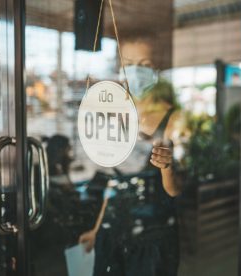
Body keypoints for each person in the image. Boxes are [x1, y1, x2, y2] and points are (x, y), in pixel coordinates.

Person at [79, 36, 182, 276]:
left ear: (157, 70)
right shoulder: (118, 115)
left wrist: (166, 166)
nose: (136, 71)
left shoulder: (172, 119)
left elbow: (176, 190)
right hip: (112, 233)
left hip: (151, 237)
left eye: (144, 64)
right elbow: (114, 180)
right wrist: (97, 229)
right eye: (129, 64)